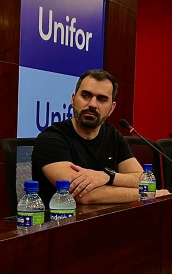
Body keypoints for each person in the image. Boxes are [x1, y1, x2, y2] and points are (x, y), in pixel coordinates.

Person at [32, 69, 162, 205]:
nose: (92, 104)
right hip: (62, 222)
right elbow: (84, 196)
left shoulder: (113, 135)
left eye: (102, 99)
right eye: (86, 96)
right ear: (73, 99)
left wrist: (108, 177)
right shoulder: (51, 138)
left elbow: (143, 180)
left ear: (111, 108)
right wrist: (147, 194)